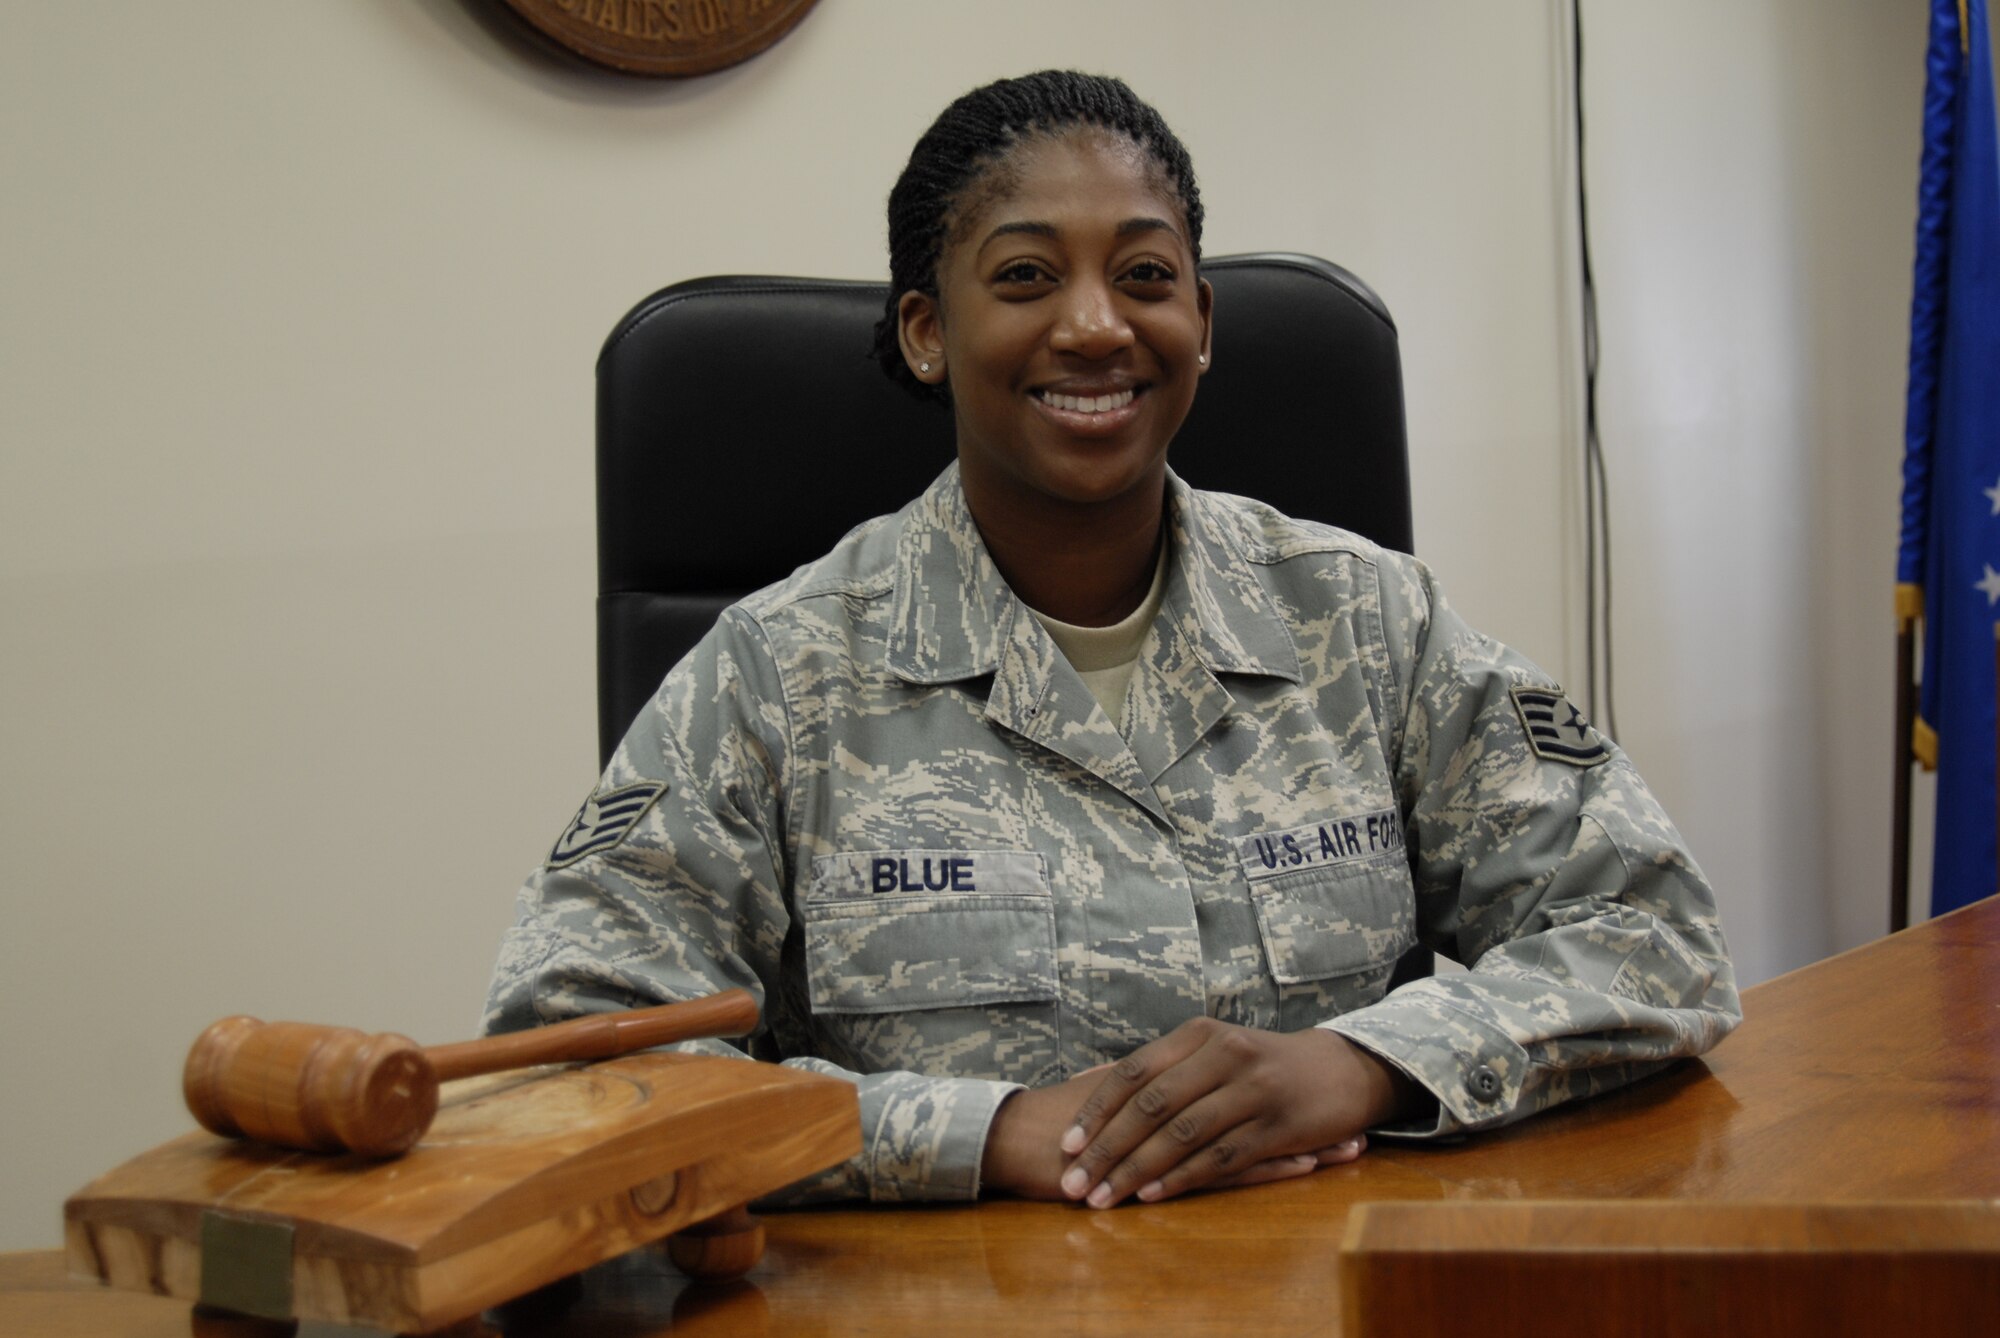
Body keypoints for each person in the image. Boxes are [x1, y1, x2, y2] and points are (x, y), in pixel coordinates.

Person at [484, 70, 1738, 1210]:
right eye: (1025, 276)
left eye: (1143, 276)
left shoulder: (1363, 622)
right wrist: (976, 1131)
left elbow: (1655, 937)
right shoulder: (778, 674)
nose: (1094, 326)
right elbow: (575, 1063)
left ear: (1201, 316)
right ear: (926, 330)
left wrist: (1363, 1065)